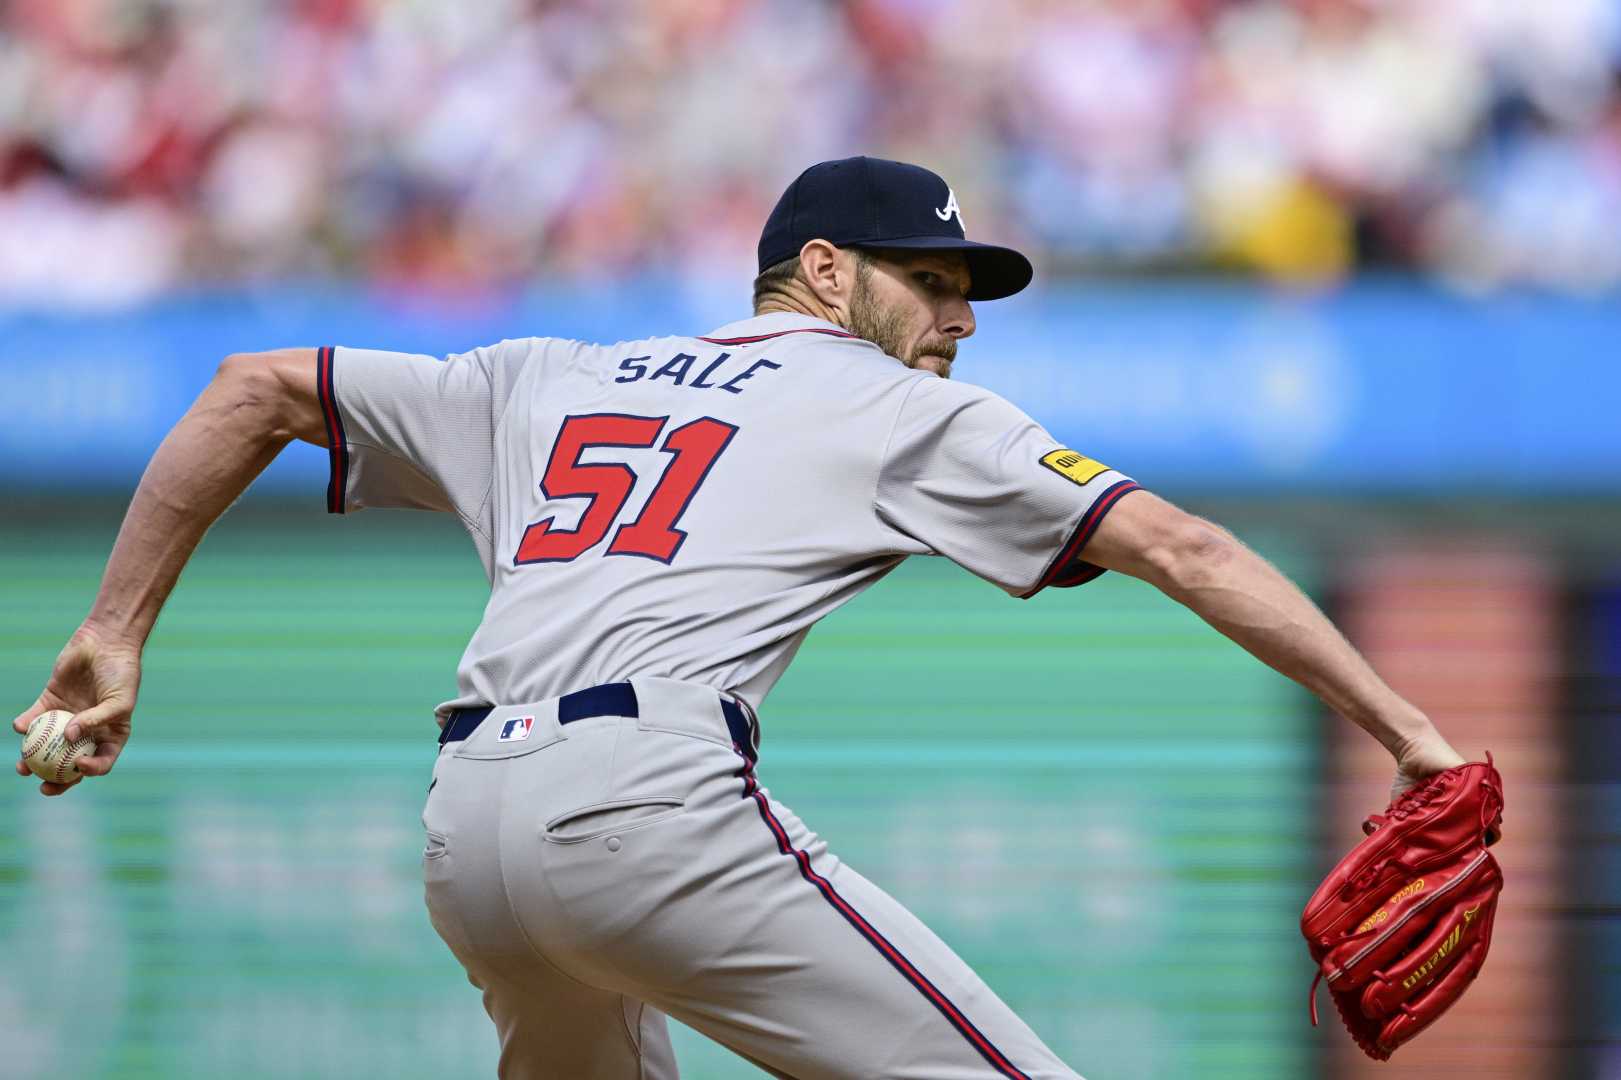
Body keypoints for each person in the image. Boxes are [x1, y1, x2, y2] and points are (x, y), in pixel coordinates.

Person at [14, 157, 1467, 1080]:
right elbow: (1185, 545)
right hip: (649, 809)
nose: (957, 322)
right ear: (824, 272)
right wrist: (1405, 732)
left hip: (467, 835)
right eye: (931, 281)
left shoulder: (546, 371)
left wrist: (120, 629)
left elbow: (252, 389)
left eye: (967, 294)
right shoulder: (889, 401)